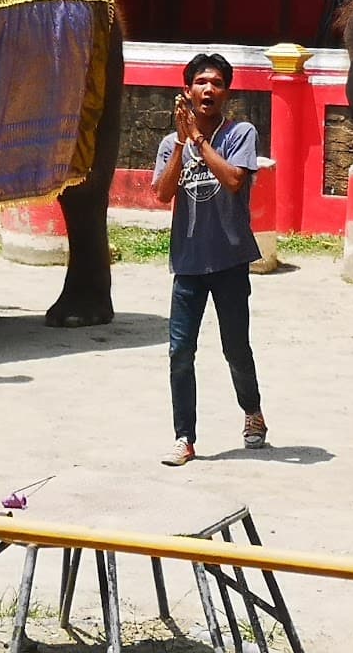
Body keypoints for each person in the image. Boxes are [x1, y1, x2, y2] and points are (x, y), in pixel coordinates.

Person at [152, 52, 267, 466]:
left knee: (235, 347)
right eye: (201, 82)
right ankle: (184, 437)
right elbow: (163, 193)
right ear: (187, 90)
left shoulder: (240, 133)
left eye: (217, 83)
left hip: (230, 260)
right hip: (187, 262)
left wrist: (199, 141)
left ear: (226, 93)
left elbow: (235, 180)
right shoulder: (171, 144)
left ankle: (252, 412)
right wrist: (183, 142)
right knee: (180, 351)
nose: (208, 89)